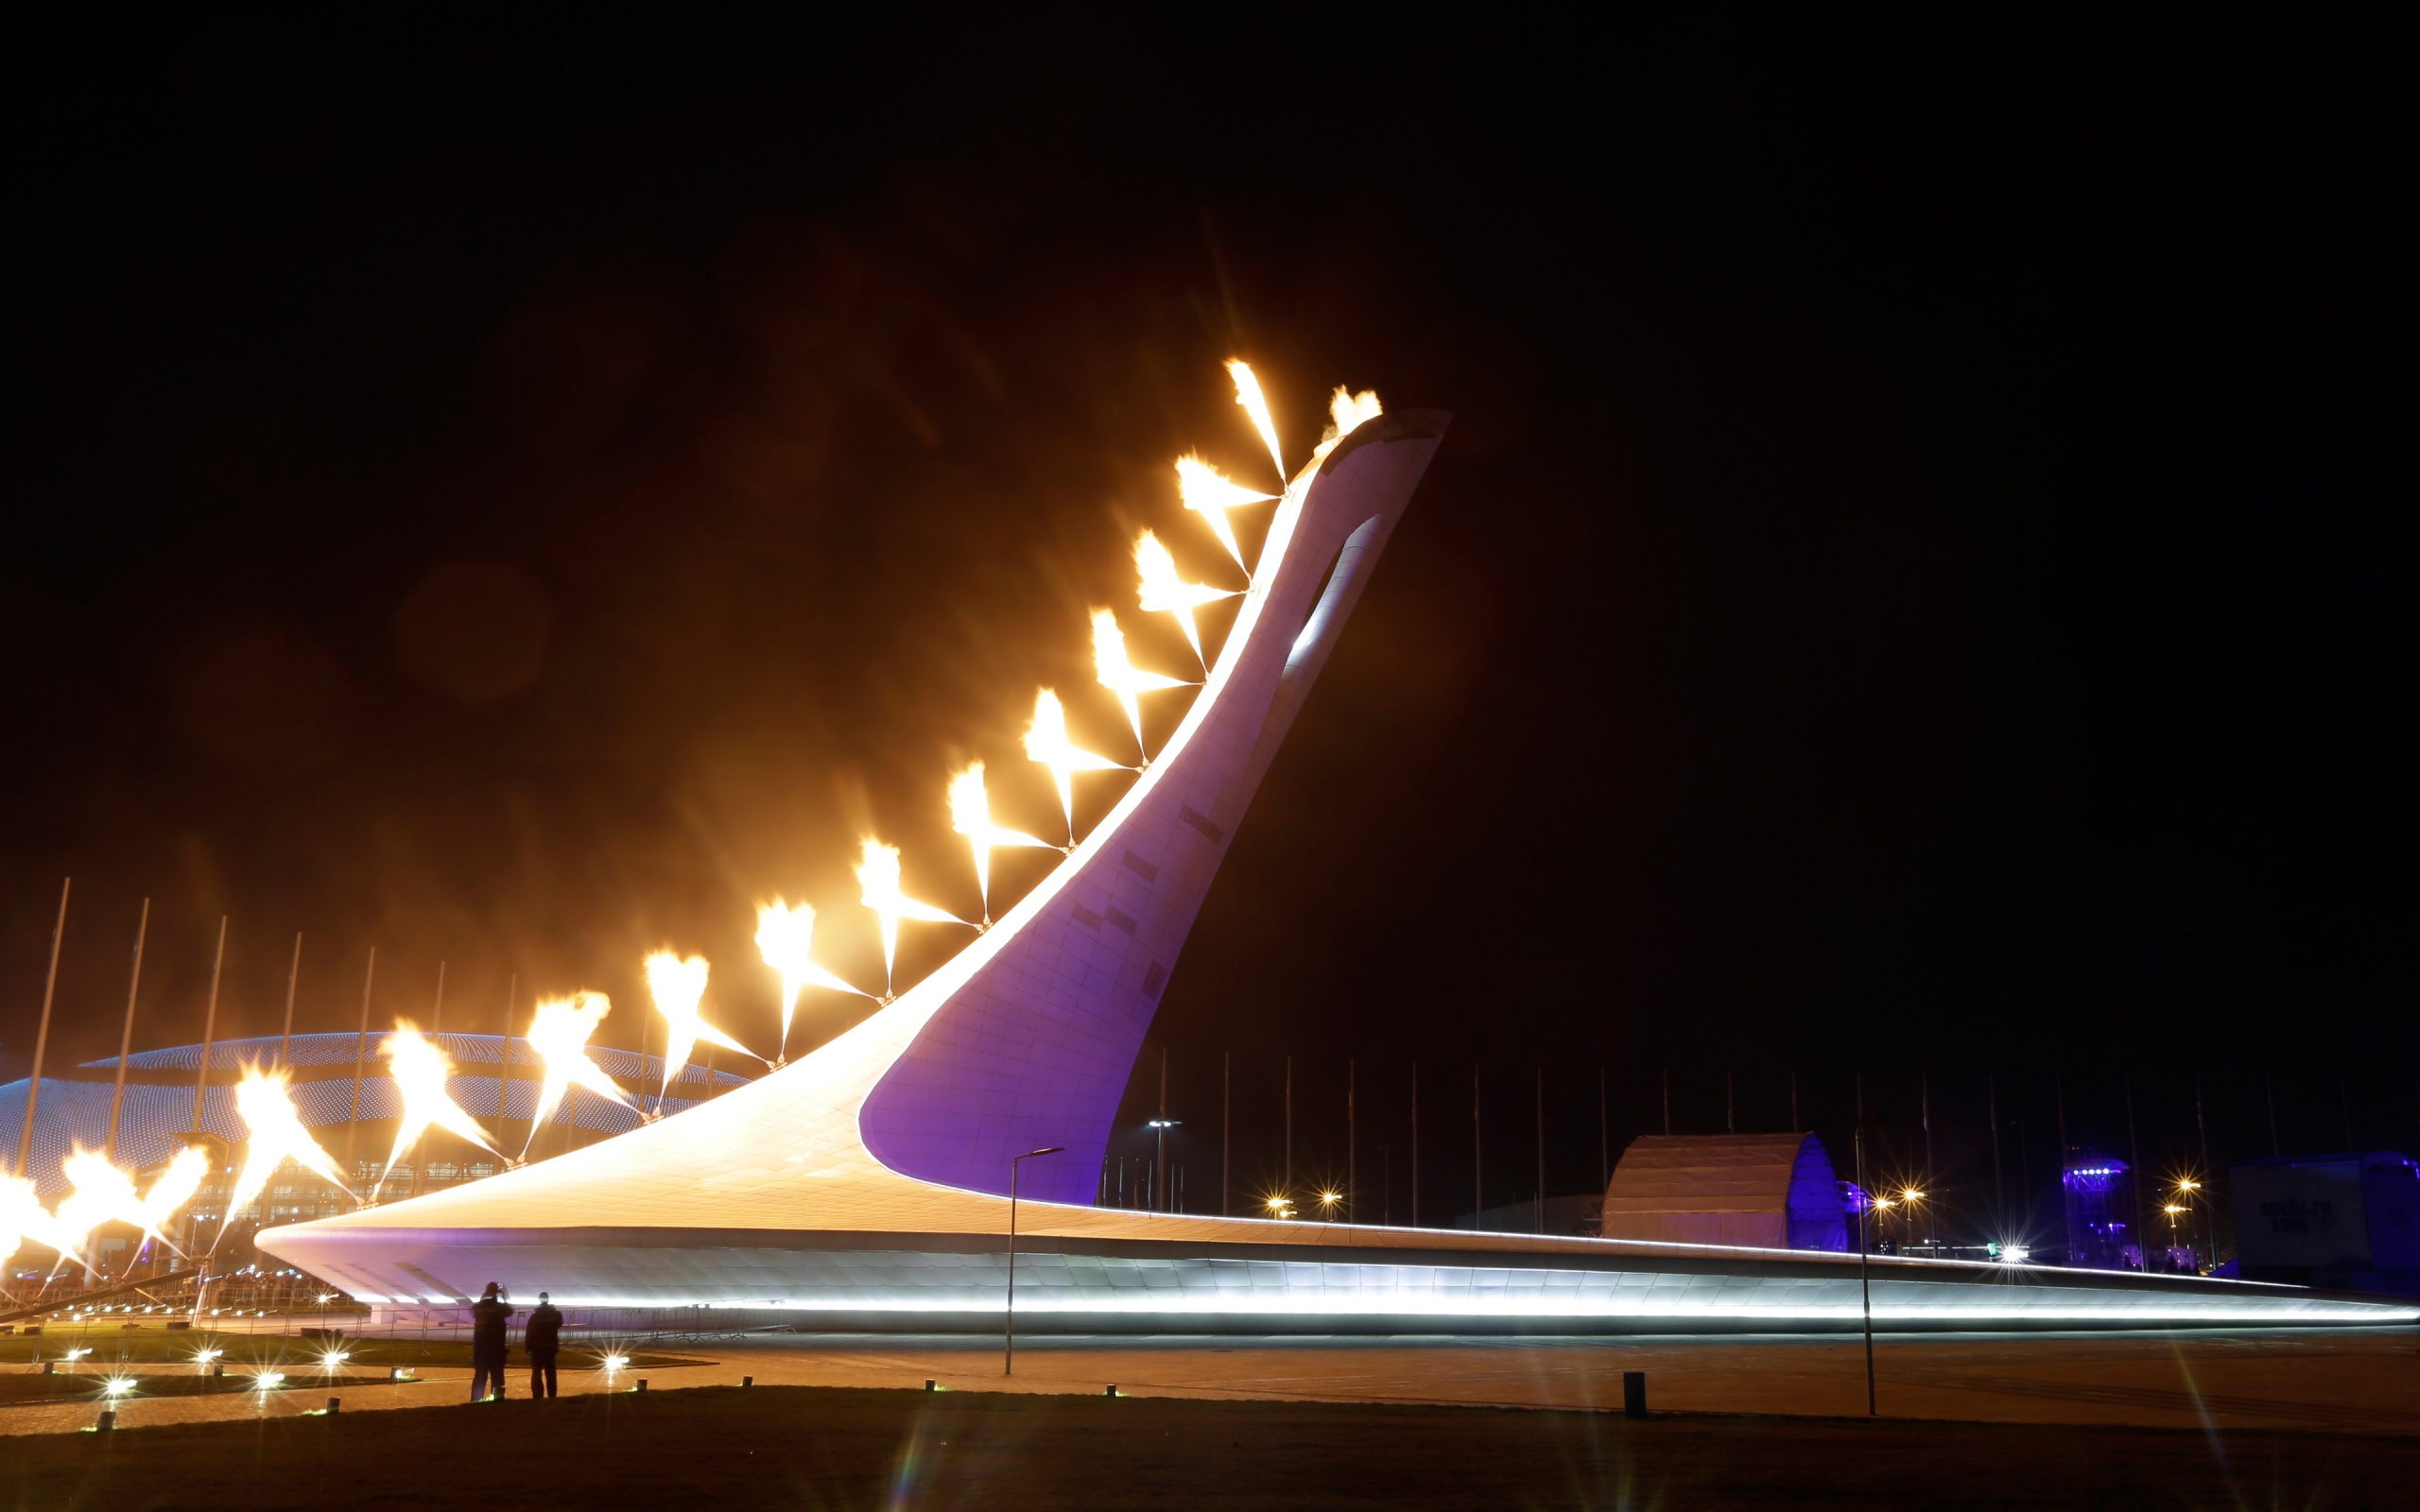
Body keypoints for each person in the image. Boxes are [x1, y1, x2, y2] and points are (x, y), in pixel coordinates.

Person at [469, 1281, 510, 1401]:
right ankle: (497, 1399)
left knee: (480, 1376)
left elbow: (472, 1311)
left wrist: (484, 1297)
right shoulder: (499, 1308)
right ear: (496, 1292)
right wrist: (504, 1298)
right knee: (497, 1376)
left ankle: (476, 1400)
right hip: (496, 1347)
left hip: (480, 1348)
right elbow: (509, 1311)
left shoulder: (479, 1307)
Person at [526, 1290, 563, 1400]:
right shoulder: (556, 1315)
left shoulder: (535, 1316)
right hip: (550, 1347)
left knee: (536, 1372)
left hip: (537, 1348)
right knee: (550, 1372)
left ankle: (537, 1396)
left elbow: (530, 1332)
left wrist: (528, 1347)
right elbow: (559, 1323)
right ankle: (552, 1395)